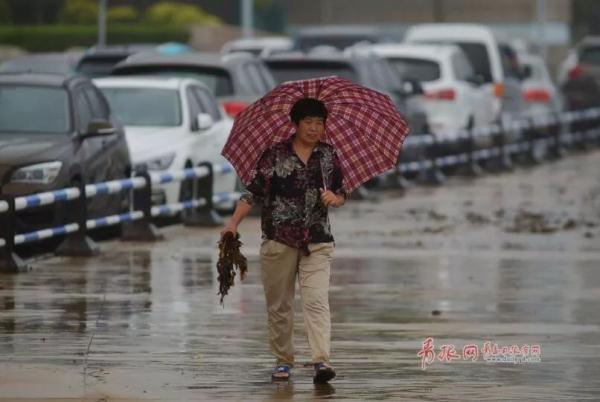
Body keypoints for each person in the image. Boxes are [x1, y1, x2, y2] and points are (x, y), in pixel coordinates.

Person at [221, 98, 346, 383]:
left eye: (319, 123)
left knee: (317, 301)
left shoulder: (328, 156)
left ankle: (321, 361)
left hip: (318, 239)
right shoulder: (274, 155)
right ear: (296, 124)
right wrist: (232, 223)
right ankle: (283, 361)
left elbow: (342, 191)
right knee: (279, 305)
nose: (315, 128)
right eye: (309, 122)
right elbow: (252, 192)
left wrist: (335, 199)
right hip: (279, 240)